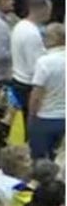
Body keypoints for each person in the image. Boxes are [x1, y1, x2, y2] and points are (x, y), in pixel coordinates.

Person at [26, 23, 66, 160]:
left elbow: (36, 94)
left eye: (46, 36)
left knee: (40, 160)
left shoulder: (44, 62)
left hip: (46, 118)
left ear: (55, 39)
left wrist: (31, 117)